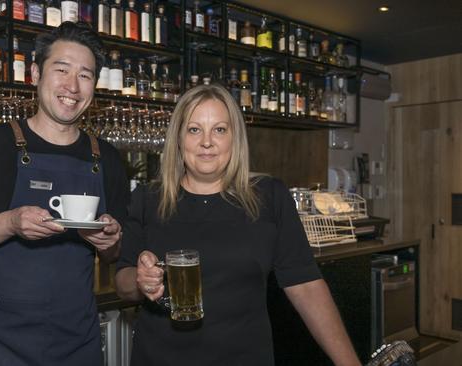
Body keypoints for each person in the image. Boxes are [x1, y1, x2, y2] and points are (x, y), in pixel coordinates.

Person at [114, 84, 361, 366]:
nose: (207, 142)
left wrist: (349, 363)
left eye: (219, 129)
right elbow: (122, 282)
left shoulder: (268, 196)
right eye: (194, 129)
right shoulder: (147, 199)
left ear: (235, 139)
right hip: (160, 358)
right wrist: (140, 279)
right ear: (179, 139)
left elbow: (305, 285)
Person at [0, 22, 129, 365]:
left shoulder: (107, 158)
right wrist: (10, 222)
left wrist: (109, 241)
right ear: (36, 73)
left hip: (77, 341)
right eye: (61, 70)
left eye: (85, 75)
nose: (72, 86)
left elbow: (117, 253)